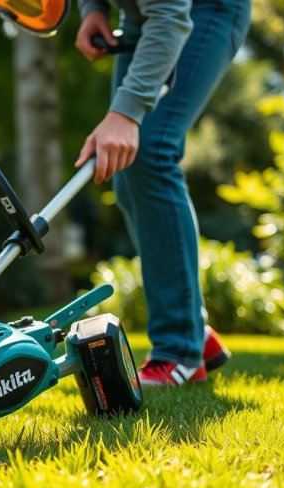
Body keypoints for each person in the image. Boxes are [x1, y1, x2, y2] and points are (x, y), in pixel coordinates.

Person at [72, 0, 249, 386]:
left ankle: (178, 351)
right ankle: (193, 334)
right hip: (139, 17)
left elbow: (170, 14)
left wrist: (126, 112)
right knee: (129, 168)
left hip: (202, 10)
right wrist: (92, 9)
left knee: (150, 150)